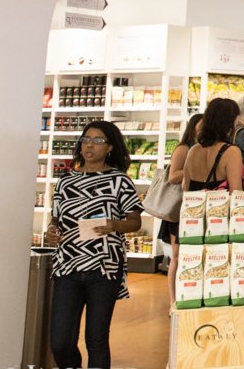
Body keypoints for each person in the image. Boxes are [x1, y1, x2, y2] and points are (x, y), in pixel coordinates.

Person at [46, 121, 143, 369]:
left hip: (104, 266)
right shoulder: (65, 181)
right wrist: (52, 231)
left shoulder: (119, 181)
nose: (90, 145)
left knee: (96, 340)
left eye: (98, 141)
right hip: (67, 265)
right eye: (86, 140)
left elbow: (135, 222)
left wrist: (114, 225)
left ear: (110, 147)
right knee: (60, 341)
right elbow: (56, 218)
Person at [160, 112, 201, 304]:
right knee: (176, 256)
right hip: (178, 210)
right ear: (193, 128)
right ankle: (173, 300)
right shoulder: (184, 148)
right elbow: (173, 176)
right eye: (200, 126)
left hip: (192, 208)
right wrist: (192, 169)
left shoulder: (201, 148)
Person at [183, 98, 244, 193]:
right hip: (220, 203)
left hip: (194, 201)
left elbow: (186, 187)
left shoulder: (193, 150)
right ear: (230, 121)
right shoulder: (232, 152)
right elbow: (235, 192)